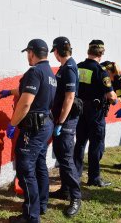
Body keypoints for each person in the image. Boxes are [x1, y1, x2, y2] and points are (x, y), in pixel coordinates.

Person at [0, 39, 56, 223]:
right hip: (46, 125)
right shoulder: (49, 73)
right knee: (38, 165)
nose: (27, 57)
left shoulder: (35, 72)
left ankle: (31, 216)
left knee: (25, 169)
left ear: (32, 52)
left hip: (33, 128)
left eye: (27, 53)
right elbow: (31, 91)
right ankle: (41, 205)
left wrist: (13, 123)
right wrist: (8, 92)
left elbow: (26, 102)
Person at [73, 40, 118, 187]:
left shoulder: (78, 67)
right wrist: (115, 100)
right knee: (96, 145)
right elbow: (111, 97)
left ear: (88, 51)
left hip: (79, 110)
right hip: (95, 112)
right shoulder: (101, 71)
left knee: (80, 143)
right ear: (101, 53)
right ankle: (94, 177)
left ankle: (76, 174)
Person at [49, 36, 82, 217]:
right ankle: (65, 190)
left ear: (57, 51)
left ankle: (76, 198)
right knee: (62, 156)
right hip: (61, 119)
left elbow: (69, 98)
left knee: (67, 159)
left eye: (54, 50)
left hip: (66, 121)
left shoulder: (69, 68)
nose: (53, 54)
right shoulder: (64, 67)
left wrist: (61, 122)